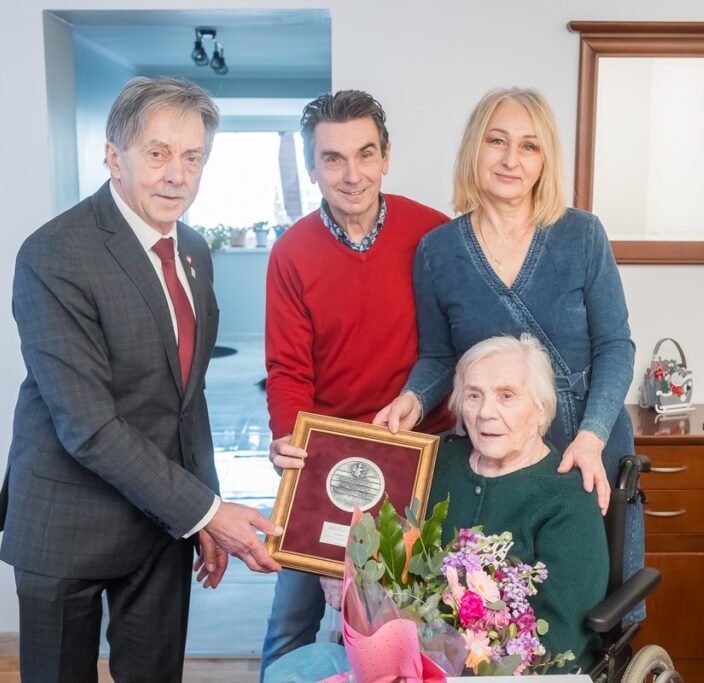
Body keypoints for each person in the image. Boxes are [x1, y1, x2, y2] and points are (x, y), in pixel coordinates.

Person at [0, 76, 282, 683]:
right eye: (157, 152)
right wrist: (206, 511)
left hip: (158, 521)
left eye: (193, 157)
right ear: (113, 156)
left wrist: (203, 512)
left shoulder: (194, 248)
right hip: (68, 518)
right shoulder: (54, 255)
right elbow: (87, 426)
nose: (177, 174)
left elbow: (187, 398)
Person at [374, 87, 642, 597]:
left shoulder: (582, 235)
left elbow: (615, 346)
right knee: (492, 594)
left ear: (545, 160)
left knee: (585, 599)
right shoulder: (438, 250)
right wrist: (412, 397)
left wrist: (591, 436)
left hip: (587, 438)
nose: (510, 160)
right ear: (475, 147)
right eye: (497, 141)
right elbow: (439, 356)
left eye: (529, 146)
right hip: (497, 447)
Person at [263, 335, 609, 681]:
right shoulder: (433, 457)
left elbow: (557, 639)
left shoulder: (567, 496)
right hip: (405, 658)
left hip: (507, 672)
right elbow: (358, 501)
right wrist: (300, 458)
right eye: (474, 395)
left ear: (541, 408)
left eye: (507, 395)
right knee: (290, 671)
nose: (486, 412)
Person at [260, 89, 454, 676]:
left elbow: (454, 347)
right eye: (333, 159)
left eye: (365, 154)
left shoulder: (434, 234)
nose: (352, 175)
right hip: (328, 462)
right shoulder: (291, 253)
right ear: (311, 166)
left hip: (422, 454)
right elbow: (289, 371)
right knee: (295, 619)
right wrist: (292, 449)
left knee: (418, 619)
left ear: (386, 156)